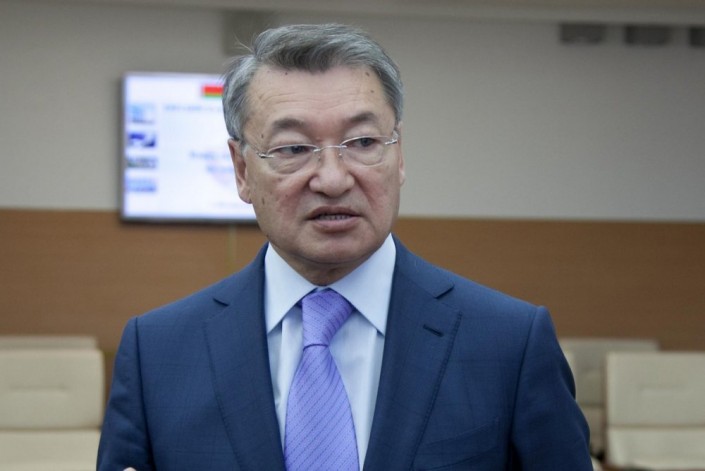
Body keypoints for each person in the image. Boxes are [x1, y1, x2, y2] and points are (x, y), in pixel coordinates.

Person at [98, 23, 593, 470]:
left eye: (362, 143)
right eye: (293, 148)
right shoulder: (157, 352)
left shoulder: (509, 343)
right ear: (242, 170)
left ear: (399, 156)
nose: (333, 179)